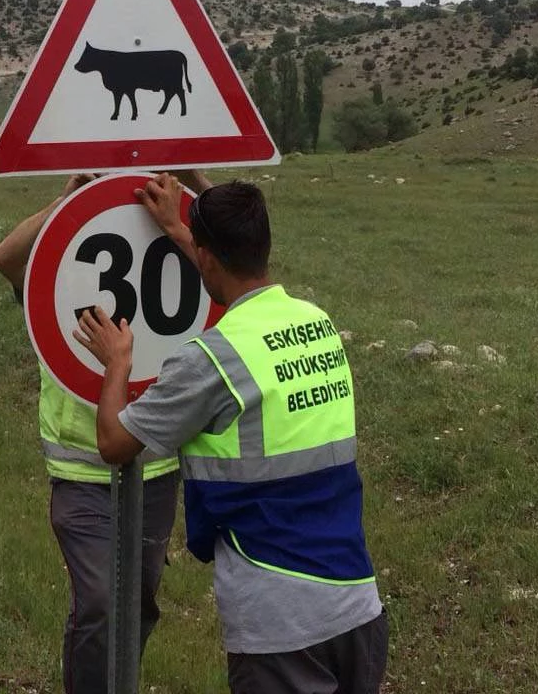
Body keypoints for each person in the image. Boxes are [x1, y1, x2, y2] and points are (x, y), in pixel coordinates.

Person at [75, 174, 387, 694]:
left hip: (282, 627)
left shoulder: (209, 361)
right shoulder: (316, 323)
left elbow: (114, 443)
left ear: (207, 259)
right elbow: (243, 298)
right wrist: (182, 231)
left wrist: (117, 364)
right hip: (357, 606)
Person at [0, 170, 210, 693]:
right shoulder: (64, 258)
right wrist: (64, 204)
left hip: (155, 463)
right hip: (80, 468)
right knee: (100, 604)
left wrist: (187, 189)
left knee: (138, 601)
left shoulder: (175, 241)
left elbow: (231, 253)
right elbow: (4, 260)